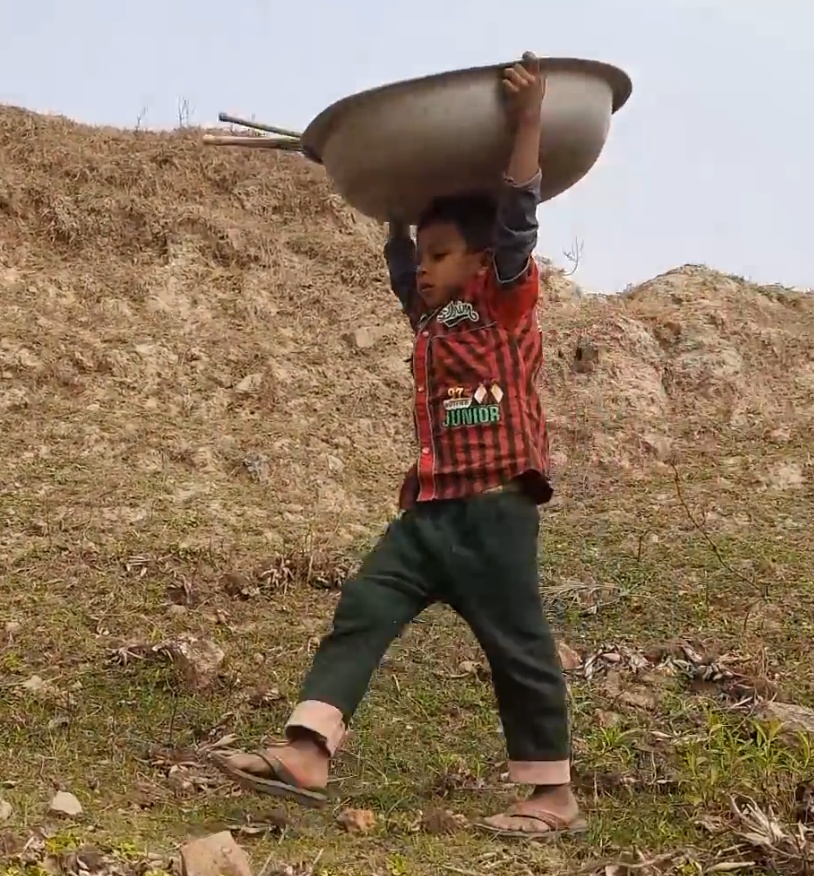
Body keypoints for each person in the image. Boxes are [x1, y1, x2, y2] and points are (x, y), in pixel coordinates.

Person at [210, 52, 583, 838]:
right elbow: (398, 261)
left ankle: (550, 795)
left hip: (493, 515)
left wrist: (529, 123)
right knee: (365, 607)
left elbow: (518, 214)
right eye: (422, 254)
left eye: (441, 254)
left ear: (482, 264)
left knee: (518, 647)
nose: (425, 268)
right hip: (429, 515)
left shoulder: (503, 305)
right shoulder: (433, 322)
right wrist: (378, 191)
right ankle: (308, 750)